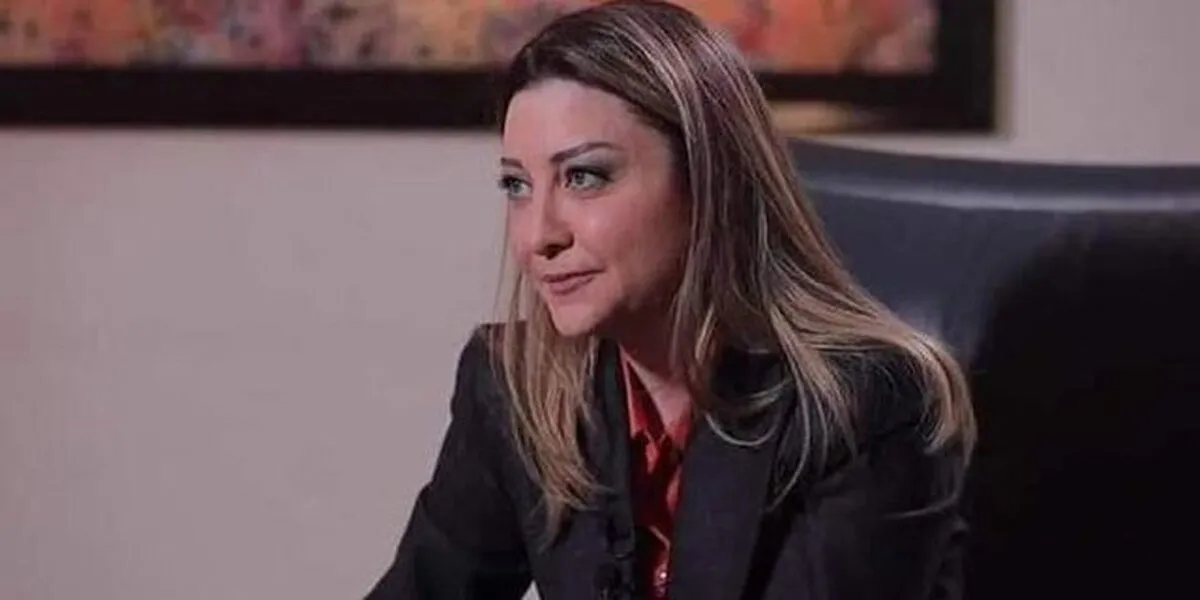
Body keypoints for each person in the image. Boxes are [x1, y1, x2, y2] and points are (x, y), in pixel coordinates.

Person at [366, 2, 975, 599]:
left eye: (584, 176)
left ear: (708, 181)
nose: (537, 236)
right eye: (517, 185)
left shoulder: (865, 406)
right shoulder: (515, 388)